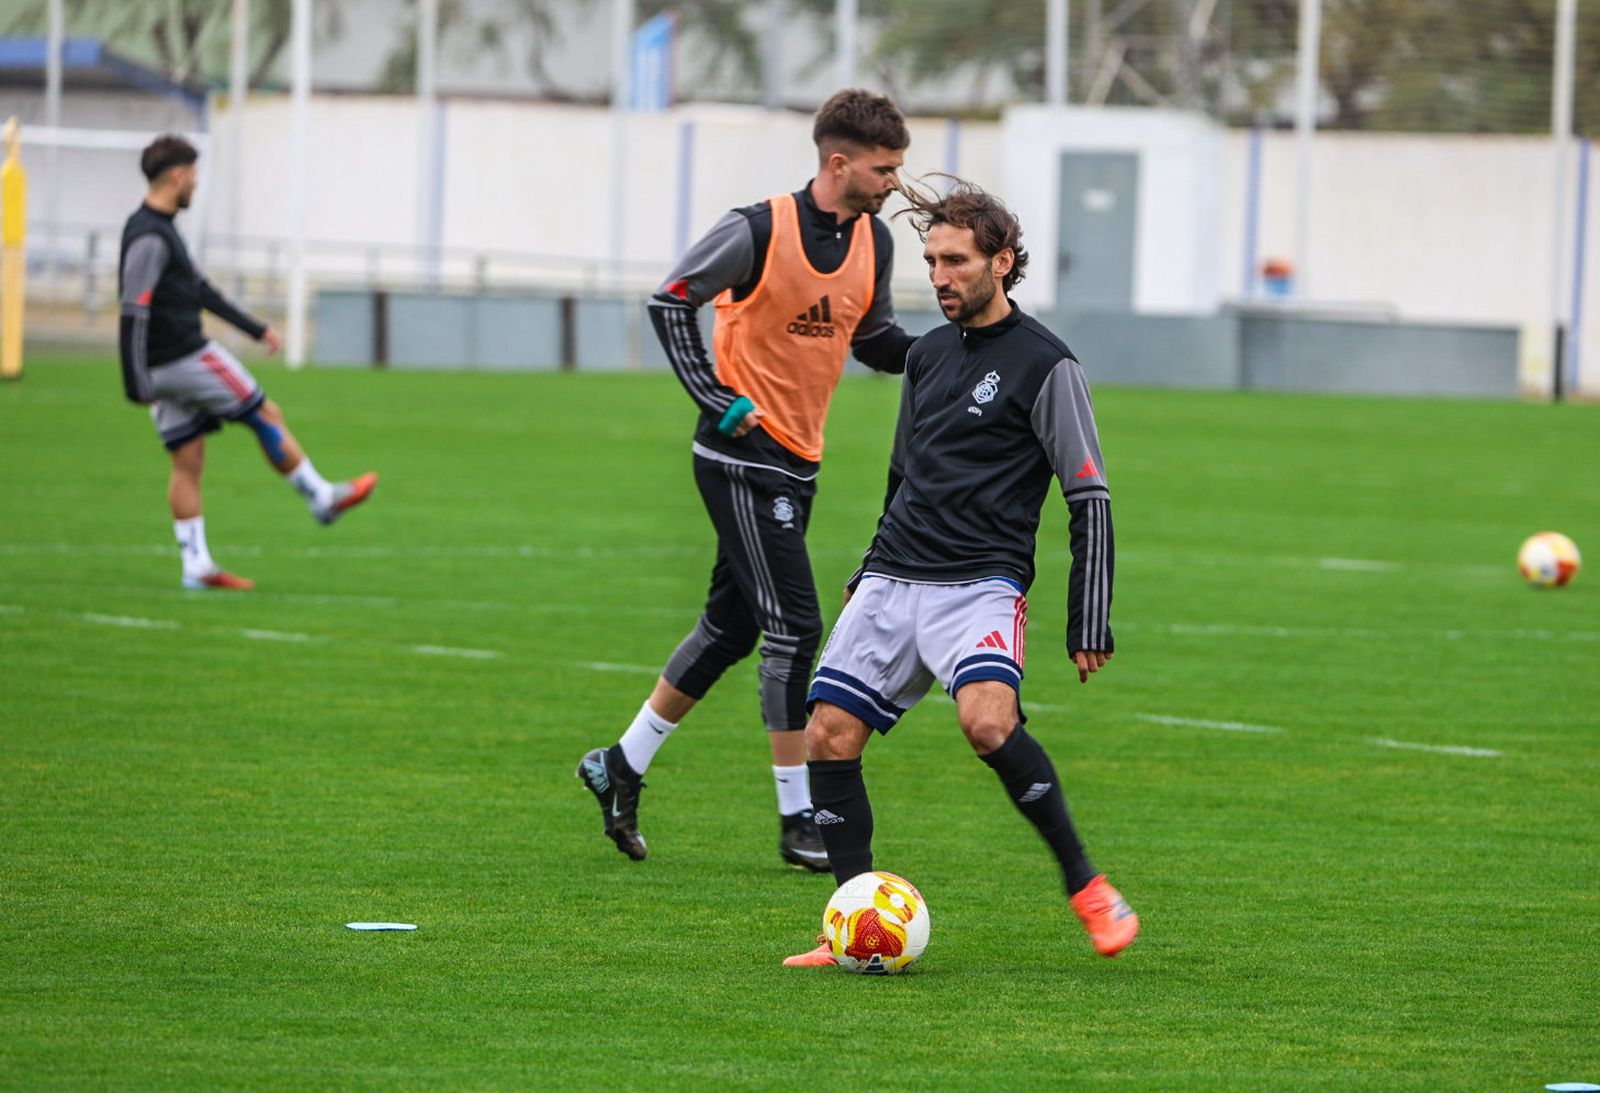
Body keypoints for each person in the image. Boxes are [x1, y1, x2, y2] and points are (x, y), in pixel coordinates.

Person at [782, 180, 1137, 965]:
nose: (939, 275)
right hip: (893, 576)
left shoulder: (1048, 364)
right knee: (828, 735)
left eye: (956, 260)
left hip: (980, 582)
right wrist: (868, 565)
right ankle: (848, 924)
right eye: (931, 259)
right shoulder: (926, 356)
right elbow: (902, 474)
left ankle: (1088, 886)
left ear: (1002, 263)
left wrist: (1089, 615)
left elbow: (1090, 492)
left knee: (987, 722)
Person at [576, 90, 918, 871]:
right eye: (884, 167)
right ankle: (801, 820)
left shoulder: (875, 244)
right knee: (795, 626)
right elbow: (671, 302)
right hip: (739, 456)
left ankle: (618, 765)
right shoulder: (758, 228)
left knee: (731, 628)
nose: (894, 182)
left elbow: (873, 339)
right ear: (839, 163)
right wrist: (713, 395)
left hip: (800, 460)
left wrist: (947, 350)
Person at [118, 135, 376, 589]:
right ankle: (321, 498)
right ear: (177, 176)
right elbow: (132, 309)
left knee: (187, 460)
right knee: (264, 412)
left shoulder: (159, 229)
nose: (197, 183)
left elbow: (199, 291)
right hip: (186, 357)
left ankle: (196, 566)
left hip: (162, 370)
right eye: (194, 175)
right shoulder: (149, 237)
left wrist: (253, 328)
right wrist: (132, 380)